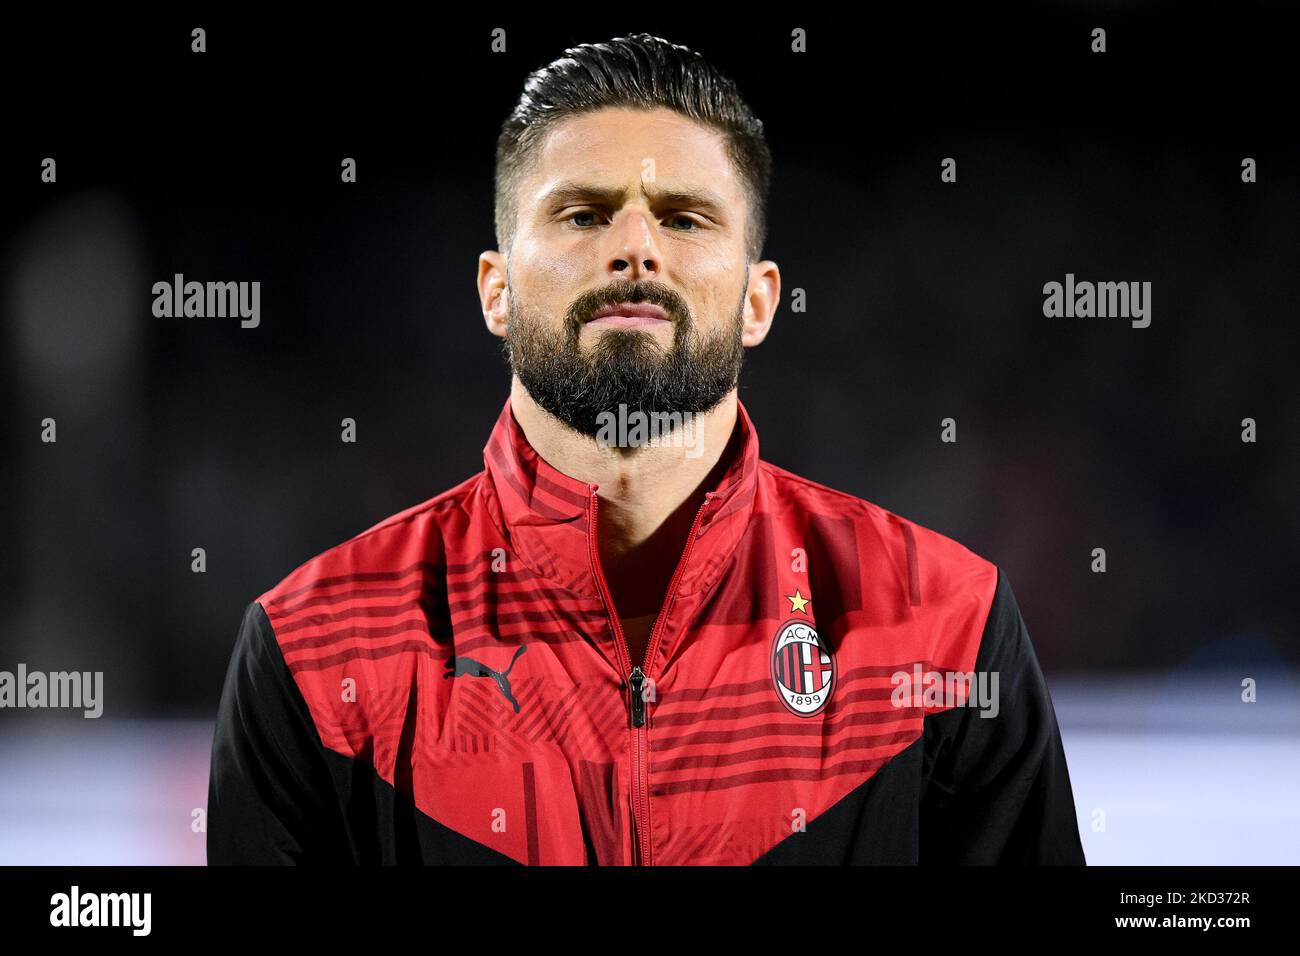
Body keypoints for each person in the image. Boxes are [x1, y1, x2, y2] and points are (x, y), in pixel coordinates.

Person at [207, 32, 1086, 865]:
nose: (635, 249)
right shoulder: (317, 653)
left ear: (758, 300)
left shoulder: (942, 627)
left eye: (686, 218)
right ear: (497, 289)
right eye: (584, 214)